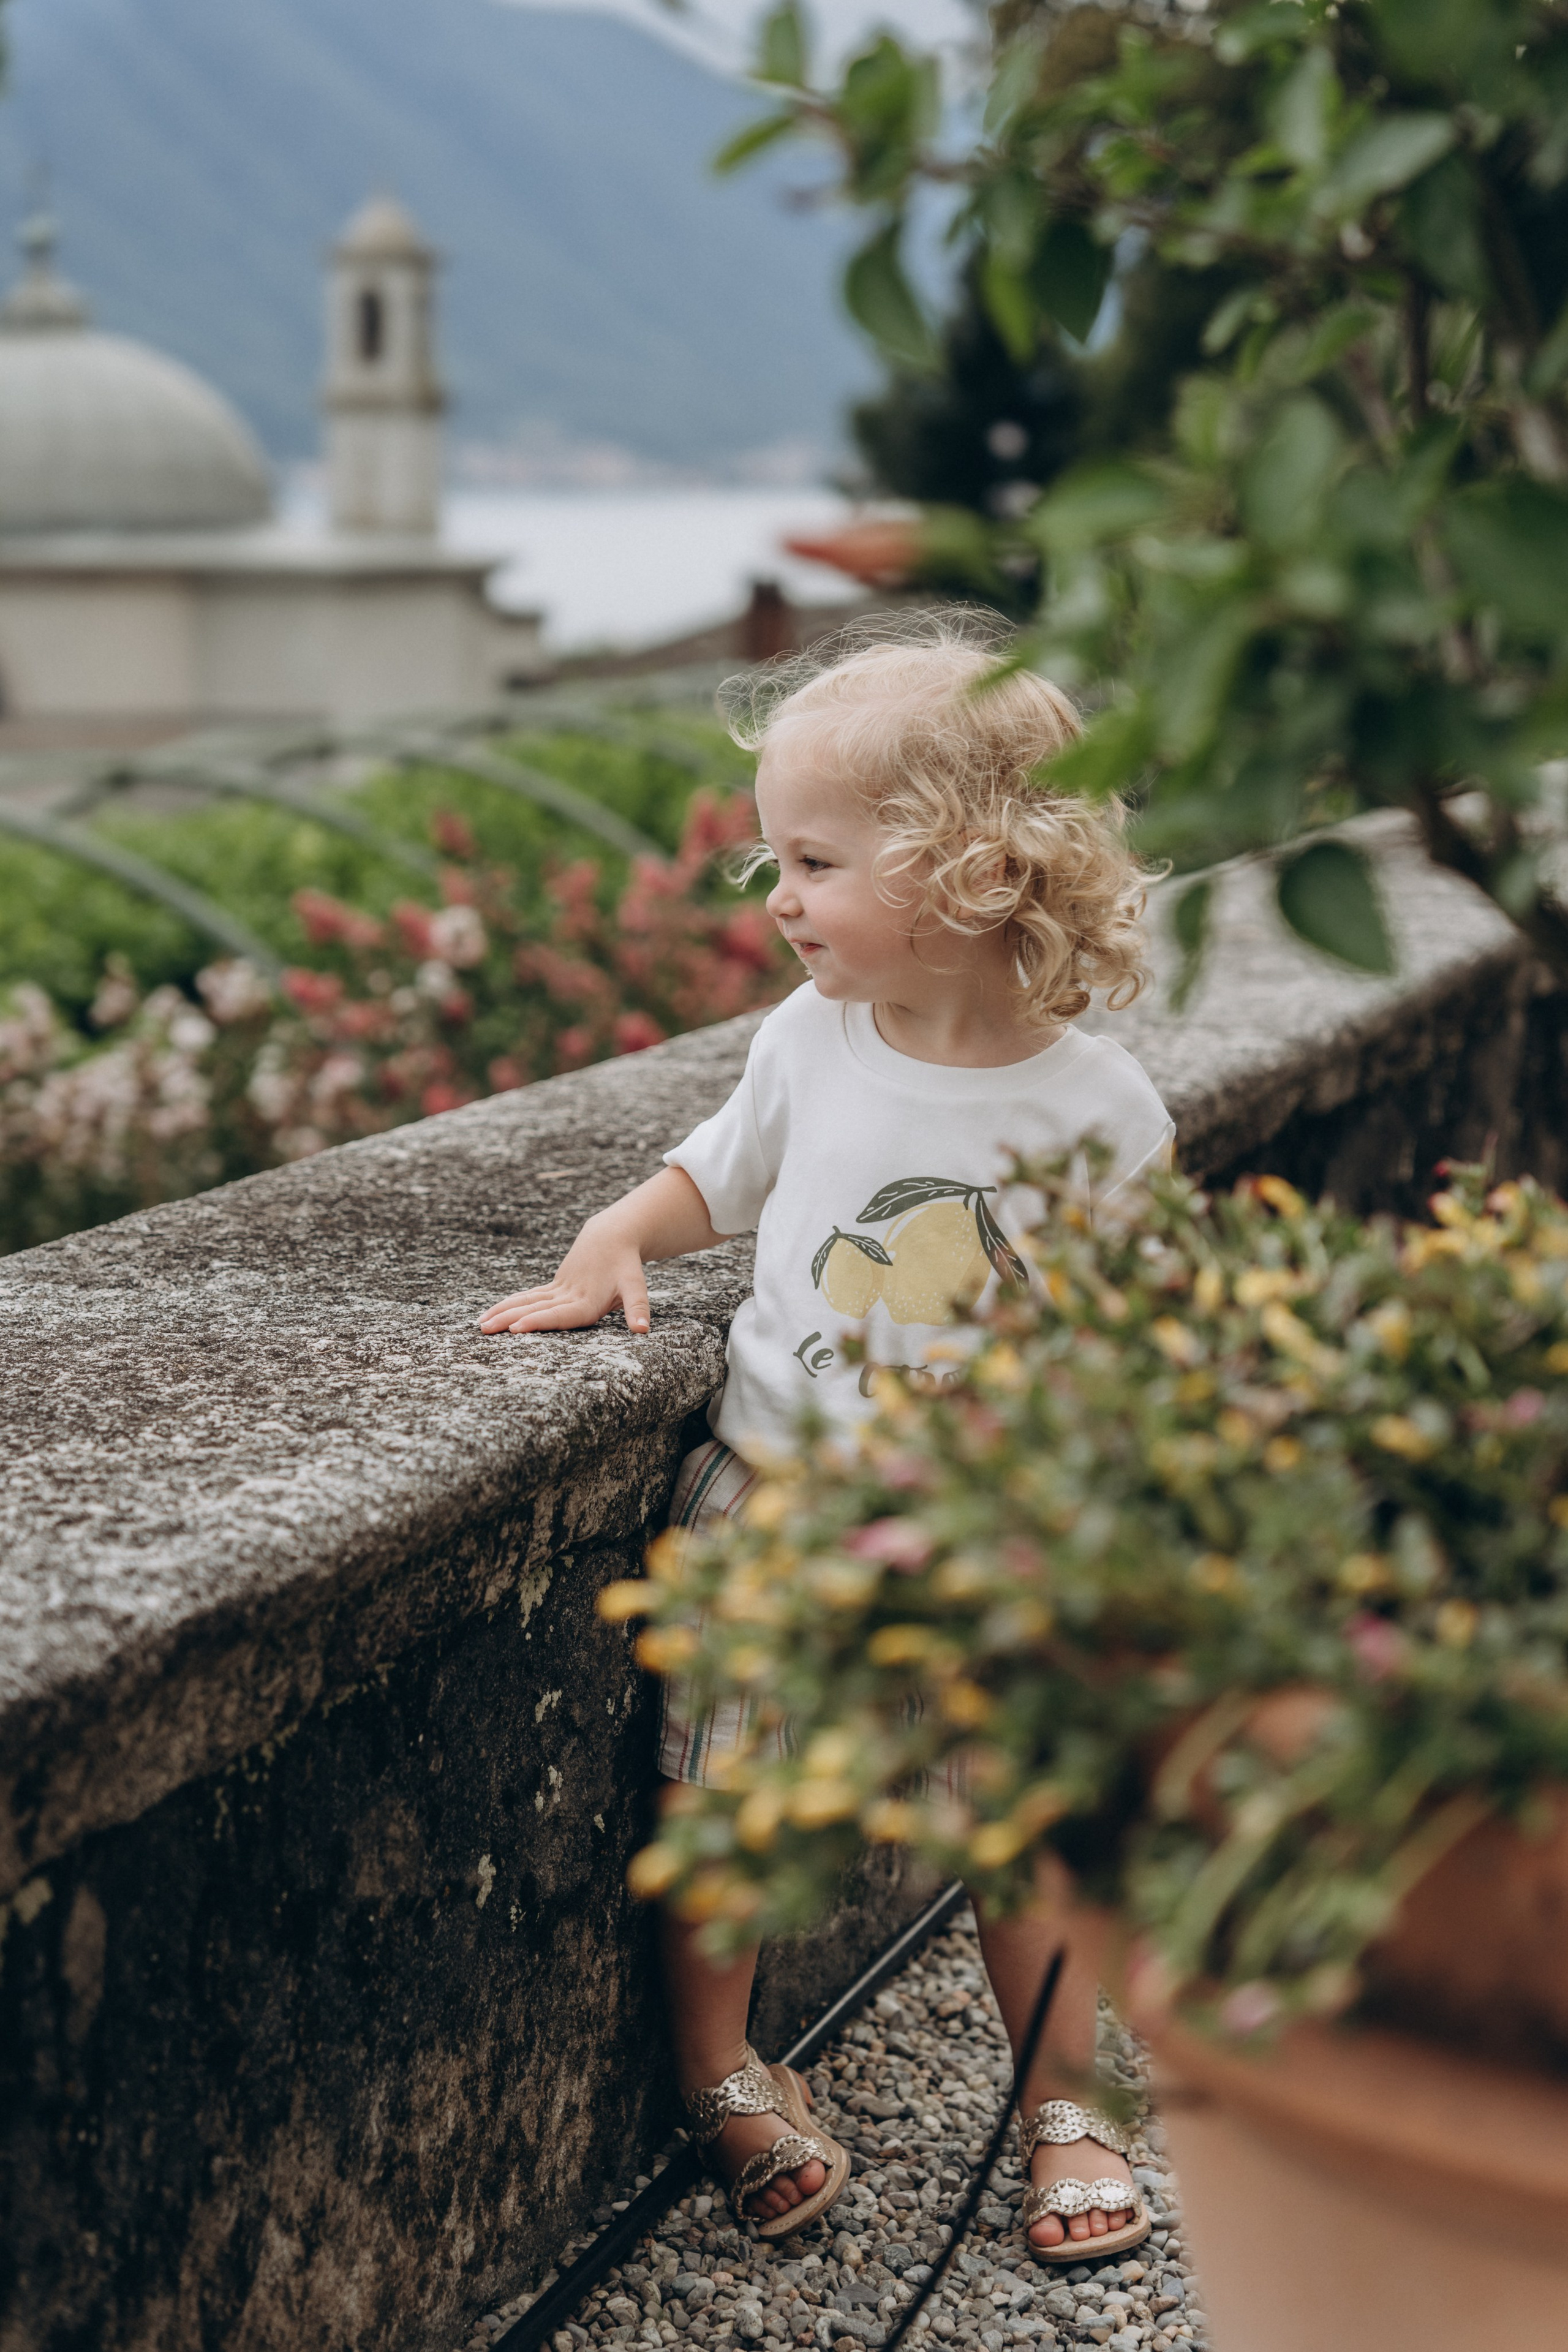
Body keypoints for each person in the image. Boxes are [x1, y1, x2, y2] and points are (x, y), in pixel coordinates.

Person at [481, 614, 1172, 2264]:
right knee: (728, 1800)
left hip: (990, 1533)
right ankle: (724, 2075)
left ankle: (1063, 2102)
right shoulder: (810, 1044)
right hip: (774, 1502)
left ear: (974, 870)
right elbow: (717, 1175)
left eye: (815, 861)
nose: (776, 897)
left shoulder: (1103, 1112)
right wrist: (613, 1243)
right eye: (770, 861)